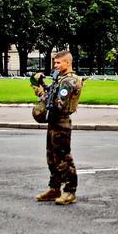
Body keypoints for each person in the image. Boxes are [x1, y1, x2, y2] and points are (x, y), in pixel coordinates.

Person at [34, 51, 84, 206]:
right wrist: (43, 88)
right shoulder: (60, 79)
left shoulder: (69, 82)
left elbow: (61, 105)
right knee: (51, 157)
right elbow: (53, 97)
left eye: (58, 63)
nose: (55, 65)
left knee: (63, 158)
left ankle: (70, 191)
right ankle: (54, 188)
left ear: (67, 63)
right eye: (54, 62)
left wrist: (43, 95)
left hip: (61, 122)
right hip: (53, 121)